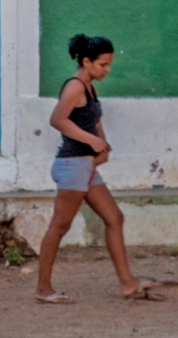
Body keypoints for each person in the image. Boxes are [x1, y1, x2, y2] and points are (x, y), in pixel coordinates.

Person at [34, 34, 159, 304]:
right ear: (87, 61)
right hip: (72, 165)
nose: (107, 70)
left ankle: (128, 284)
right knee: (60, 226)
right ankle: (43, 289)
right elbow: (57, 119)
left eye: (109, 64)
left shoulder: (91, 88)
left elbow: (93, 122)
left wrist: (102, 146)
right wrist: (92, 141)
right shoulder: (75, 87)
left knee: (114, 218)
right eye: (103, 65)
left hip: (86, 164)